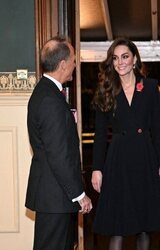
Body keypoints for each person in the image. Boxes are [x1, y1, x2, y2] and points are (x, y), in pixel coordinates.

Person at [91, 37, 160, 250]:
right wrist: (97, 169)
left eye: (125, 56)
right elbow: (100, 135)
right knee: (118, 227)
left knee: (144, 227)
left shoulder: (150, 86)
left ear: (134, 58)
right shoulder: (106, 89)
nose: (120, 62)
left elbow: (157, 128)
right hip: (118, 159)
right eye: (116, 58)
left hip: (145, 157)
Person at [25, 36, 92, 250]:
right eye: (73, 59)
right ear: (63, 64)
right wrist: (80, 195)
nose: (75, 64)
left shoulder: (47, 92)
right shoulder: (50, 100)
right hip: (54, 196)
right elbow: (58, 154)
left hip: (54, 195)